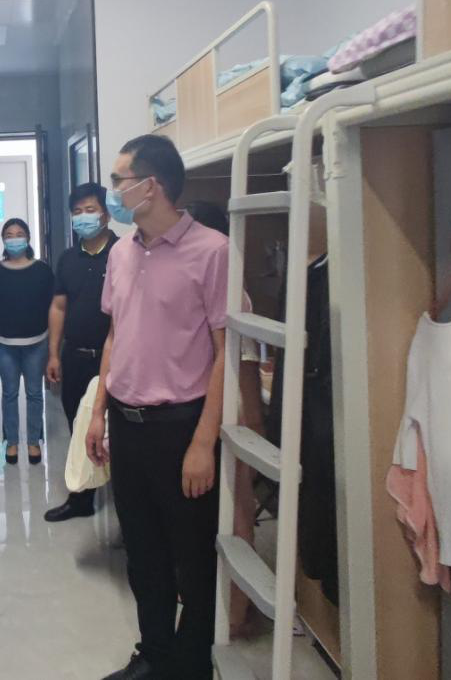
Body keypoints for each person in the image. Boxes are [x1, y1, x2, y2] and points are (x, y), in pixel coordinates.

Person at [87, 135, 229, 680]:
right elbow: (115, 335)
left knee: (192, 556)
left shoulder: (213, 251)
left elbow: (226, 352)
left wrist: (203, 443)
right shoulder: (121, 253)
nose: (113, 191)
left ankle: (191, 665)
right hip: (127, 425)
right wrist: (98, 412)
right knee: (143, 552)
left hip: (181, 428)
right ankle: (154, 655)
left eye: (119, 180)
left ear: (152, 186)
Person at [184, 200, 264, 636]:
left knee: (235, 516)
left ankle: (236, 612)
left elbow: (243, 368)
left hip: (230, 421)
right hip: (200, 416)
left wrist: (251, 429)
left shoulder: (234, 295)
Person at [43, 182, 117, 522]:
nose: (83, 217)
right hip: (76, 357)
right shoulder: (68, 258)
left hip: (115, 361)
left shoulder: (124, 252)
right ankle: (82, 499)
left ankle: (125, 505)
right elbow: (58, 307)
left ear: (106, 213)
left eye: (90, 210)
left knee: (118, 434)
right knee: (79, 428)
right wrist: (54, 353)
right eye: (77, 212)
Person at [0, 218, 54, 466]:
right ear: (3, 240)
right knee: (9, 393)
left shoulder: (42, 270)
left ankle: (33, 441)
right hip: (6, 343)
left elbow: (53, 306)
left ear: (28, 238)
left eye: (19, 234)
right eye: (9, 235)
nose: (15, 239)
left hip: (37, 342)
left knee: (34, 393)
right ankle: (12, 441)